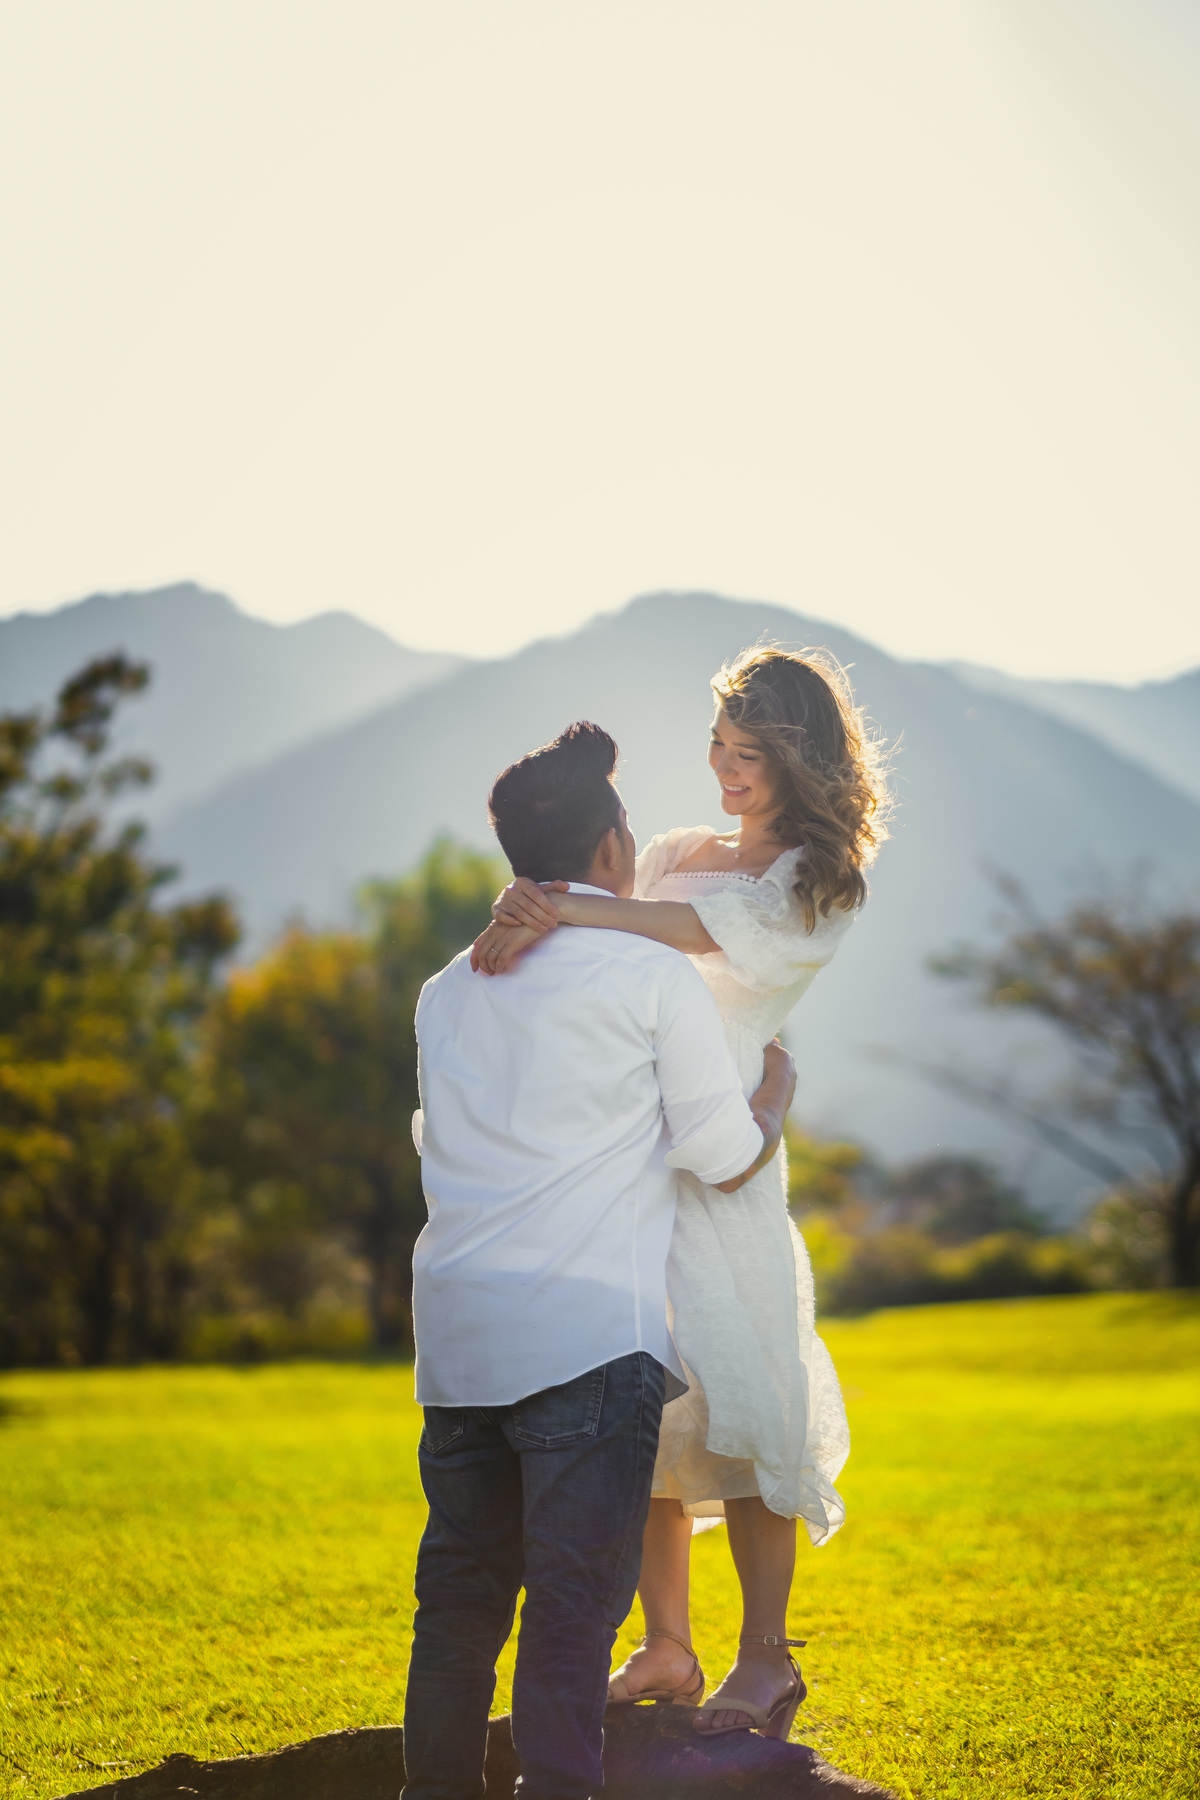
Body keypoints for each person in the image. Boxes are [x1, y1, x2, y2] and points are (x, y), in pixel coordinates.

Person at [471, 646, 889, 1738]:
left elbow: (693, 936)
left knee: (745, 1411)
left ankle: (767, 1658)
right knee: (642, 1402)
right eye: (718, 745)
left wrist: (563, 908)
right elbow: (606, 940)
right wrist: (529, 914)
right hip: (629, 1159)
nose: (725, 769)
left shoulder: (815, 881)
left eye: (749, 754)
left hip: (728, 1161)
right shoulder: (667, 850)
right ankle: (667, 1644)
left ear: (800, 761)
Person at [402, 719, 799, 1800]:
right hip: (586, 1344)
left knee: (458, 1614)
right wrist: (771, 1101)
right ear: (615, 848)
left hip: (457, 1344)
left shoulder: (447, 990)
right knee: (572, 1619)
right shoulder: (644, 975)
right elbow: (718, 1159)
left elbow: (432, 1140)